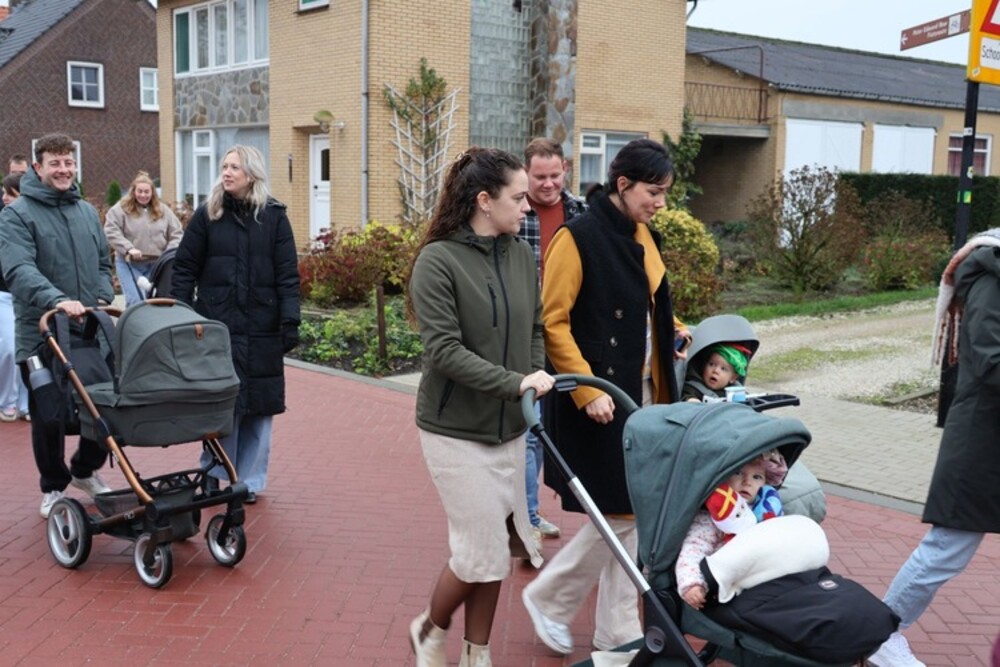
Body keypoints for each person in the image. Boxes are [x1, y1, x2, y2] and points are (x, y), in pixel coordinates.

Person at [522, 138, 688, 655]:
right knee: (619, 511)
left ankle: (613, 628)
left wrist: (676, 329)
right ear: (623, 184)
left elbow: (650, 300)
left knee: (631, 511)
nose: (660, 202)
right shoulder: (578, 236)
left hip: (645, 391)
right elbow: (553, 322)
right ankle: (554, 600)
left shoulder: (643, 233)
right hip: (601, 396)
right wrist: (587, 388)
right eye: (653, 192)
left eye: (664, 192)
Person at [406, 147, 555, 667]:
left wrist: (530, 382)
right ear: (484, 201)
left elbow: (534, 326)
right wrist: (517, 383)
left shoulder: (520, 254)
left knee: (497, 545)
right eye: (519, 197)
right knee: (479, 550)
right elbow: (444, 353)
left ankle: (477, 653)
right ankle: (428, 628)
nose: (528, 207)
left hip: (510, 427)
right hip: (454, 429)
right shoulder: (438, 261)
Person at [869, 229, 1000, 667]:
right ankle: (881, 634)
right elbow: (989, 359)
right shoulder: (990, 275)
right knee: (947, 548)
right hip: (981, 442)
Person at [170, 145, 300, 505]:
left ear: (251, 174)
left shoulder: (274, 217)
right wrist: (181, 314)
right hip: (218, 325)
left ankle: (249, 482)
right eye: (224, 166)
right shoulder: (208, 215)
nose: (226, 172)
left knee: (259, 407)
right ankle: (215, 474)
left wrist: (290, 320)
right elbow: (184, 269)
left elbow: (288, 274)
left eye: (234, 167)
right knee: (220, 404)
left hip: (262, 326)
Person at [0, 133, 113, 518]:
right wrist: (57, 299)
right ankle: (52, 486)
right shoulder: (17, 215)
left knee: (101, 405)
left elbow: (104, 263)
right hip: (41, 333)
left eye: (68, 162)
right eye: (55, 163)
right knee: (49, 414)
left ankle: (84, 470)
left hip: (88, 330)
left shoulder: (86, 212)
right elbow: (19, 269)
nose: (63, 170)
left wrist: (100, 297)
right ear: (38, 167)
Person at [518, 137, 588, 544]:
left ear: (566, 169)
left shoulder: (581, 212)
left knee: (555, 429)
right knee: (531, 429)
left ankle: (530, 511)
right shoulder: (515, 211)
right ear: (526, 173)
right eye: (539, 177)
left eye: (555, 175)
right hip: (526, 334)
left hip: (566, 335)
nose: (548, 184)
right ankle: (527, 517)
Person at [675, 456, 782, 610]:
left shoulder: (766, 514)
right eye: (738, 473)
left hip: (761, 580)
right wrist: (692, 584)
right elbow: (693, 551)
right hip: (726, 589)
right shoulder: (712, 519)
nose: (747, 482)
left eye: (757, 477)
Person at [104, 171, 183, 307]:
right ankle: (132, 320)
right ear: (133, 191)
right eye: (139, 191)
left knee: (156, 302)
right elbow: (111, 230)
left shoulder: (163, 210)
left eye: (147, 192)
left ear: (152, 193)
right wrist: (128, 248)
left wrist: (168, 253)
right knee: (136, 301)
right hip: (129, 264)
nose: (143, 195)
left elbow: (177, 233)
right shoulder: (121, 209)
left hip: (156, 265)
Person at [0, 174, 29, 422]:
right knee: (9, 347)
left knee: (31, 349)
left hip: (29, 295)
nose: (4, 198)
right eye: (3, 193)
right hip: (3, 294)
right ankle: (7, 400)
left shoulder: (32, 220)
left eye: (9, 193)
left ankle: (26, 403)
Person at [682, 343, 751, 403]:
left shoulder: (736, 392)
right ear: (704, 366)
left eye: (723, 369)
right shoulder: (693, 388)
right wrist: (692, 400)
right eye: (711, 364)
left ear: (733, 378)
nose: (716, 371)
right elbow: (686, 396)